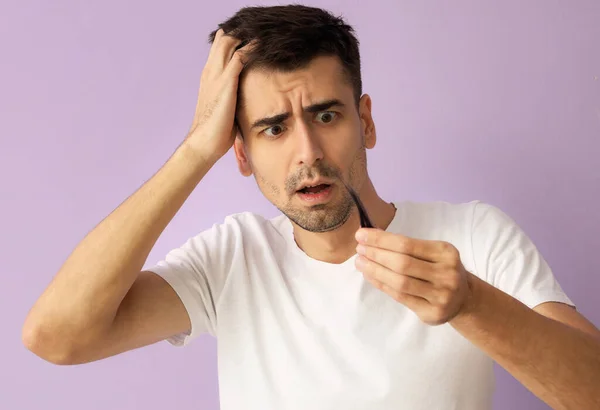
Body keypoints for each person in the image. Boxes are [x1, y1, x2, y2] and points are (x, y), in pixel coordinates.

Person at [22, 4, 600, 410]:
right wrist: (198, 146)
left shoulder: (473, 235)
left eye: (326, 115)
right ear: (241, 154)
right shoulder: (233, 258)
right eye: (272, 129)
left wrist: (472, 304)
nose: (308, 152)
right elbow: (57, 337)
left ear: (365, 121)